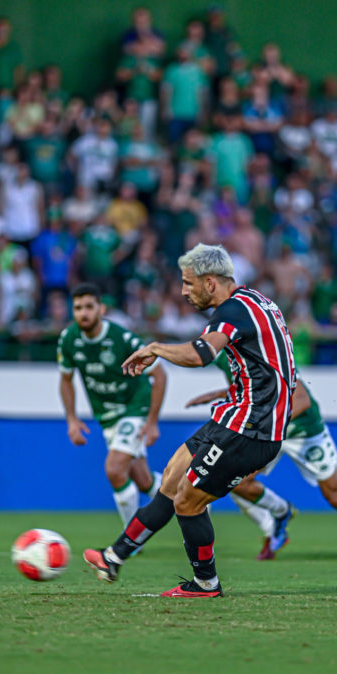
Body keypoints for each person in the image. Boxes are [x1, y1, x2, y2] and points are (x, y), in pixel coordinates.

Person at [83, 242, 296, 598]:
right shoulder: (256, 300)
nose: (183, 291)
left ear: (210, 282)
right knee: (171, 477)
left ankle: (205, 584)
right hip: (236, 416)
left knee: (187, 501)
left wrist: (155, 348)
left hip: (252, 427)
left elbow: (202, 354)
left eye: (188, 283)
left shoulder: (233, 310)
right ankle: (114, 557)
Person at [187, 363, 337, 562]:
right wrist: (219, 394)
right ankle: (280, 512)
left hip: (303, 432)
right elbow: (249, 389)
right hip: (273, 432)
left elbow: (302, 400)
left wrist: (269, 422)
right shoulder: (228, 354)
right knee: (237, 481)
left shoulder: (268, 355)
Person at [58, 282, 166, 529]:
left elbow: (159, 375)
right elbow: (65, 379)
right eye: (77, 308)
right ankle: (187, 497)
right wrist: (72, 419)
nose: (83, 313)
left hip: (134, 408)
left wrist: (151, 422)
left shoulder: (122, 338)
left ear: (101, 309)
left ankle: (132, 539)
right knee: (144, 481)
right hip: (107, 417)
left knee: (115, 469)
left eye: (88, 307)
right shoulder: (68, 339)